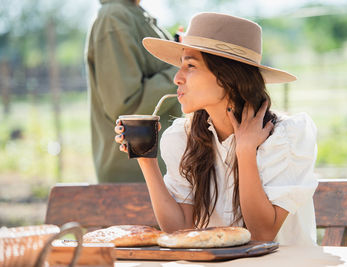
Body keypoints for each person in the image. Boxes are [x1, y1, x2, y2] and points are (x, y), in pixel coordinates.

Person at [115, 12, 318, 245]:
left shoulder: (286, 137)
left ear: (227, 77)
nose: (177, 78)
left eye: (190, 65)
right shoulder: (182, 138)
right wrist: (146, 160)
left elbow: (263, 235)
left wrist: (245, 151)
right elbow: (179, 230)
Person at [86, 0, 181, 183]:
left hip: (159, 171)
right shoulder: (114, 16)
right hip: (135, 177)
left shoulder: (136, 13)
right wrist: (182, 70)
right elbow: (127, 108)